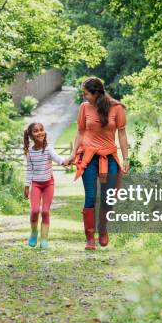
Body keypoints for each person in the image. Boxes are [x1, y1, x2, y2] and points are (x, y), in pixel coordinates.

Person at [62, 77, 129, 250]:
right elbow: (80, 132)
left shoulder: (117, 108)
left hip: (109, 157)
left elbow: (122, 134)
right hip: (88, 157)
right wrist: (72, 154)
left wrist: (125, 159)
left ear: (96, 92)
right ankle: (90, 237)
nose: (84, 97)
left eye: (86, 93)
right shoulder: (84, 108)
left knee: (108, 197)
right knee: (91, 196)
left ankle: (103, 229)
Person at [23, 122, 66, 250]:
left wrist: (66, 161)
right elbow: (29, 170)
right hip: (36, 184)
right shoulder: (30, 152)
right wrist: (26, 186)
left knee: (45, 211)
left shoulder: (48, 149)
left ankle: (44, 239)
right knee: (35, 210)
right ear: (31, 136)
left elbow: (57, 159)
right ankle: (34, 232)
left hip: (48, 184)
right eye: (36, 131)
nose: (40, 132)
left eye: (41, 130)